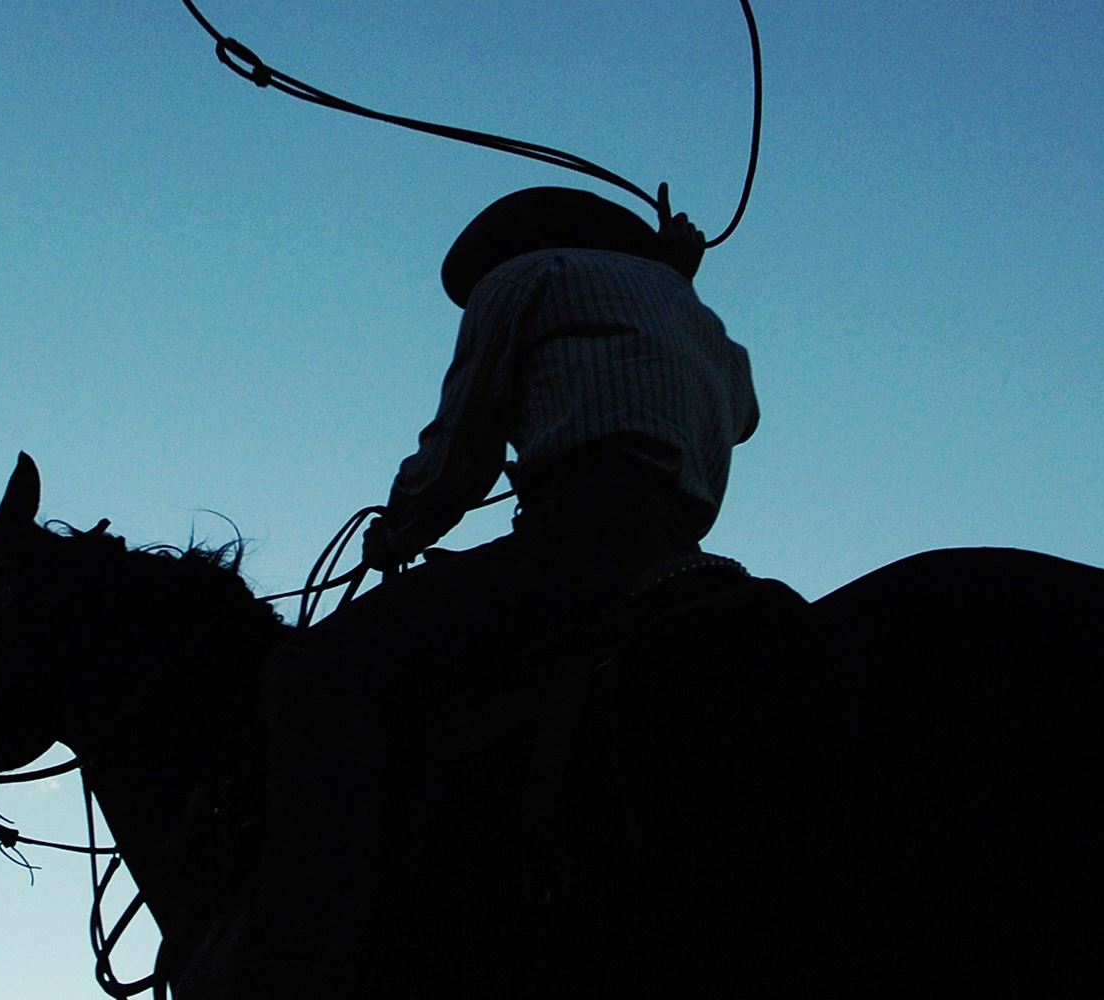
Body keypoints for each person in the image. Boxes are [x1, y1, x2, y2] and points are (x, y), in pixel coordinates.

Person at [230, 186, 759, 996]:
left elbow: (461, 447)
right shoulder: (704, 323)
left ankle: (297, 961)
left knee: (314, 674)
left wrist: (402, 528)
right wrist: (677, 278)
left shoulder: (525, 279)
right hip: (678, 555)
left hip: (577, 542)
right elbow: (744, 417)